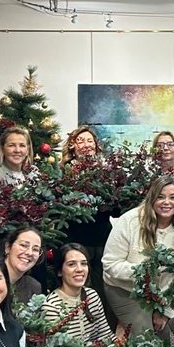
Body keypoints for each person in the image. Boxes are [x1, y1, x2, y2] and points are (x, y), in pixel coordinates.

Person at [101, 176, 174, 334]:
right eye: (160, 197)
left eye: (172, 197)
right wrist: (144, 272)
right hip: (126, 290)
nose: (166, 202)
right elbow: (110, 264)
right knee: (145, 338)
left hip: (169, 292)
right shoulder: (129, 221)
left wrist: (167, 311)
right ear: (151, 199)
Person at [61, 125, 115, 319]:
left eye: (89, 140)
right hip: (75, 239)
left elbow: (117, 210)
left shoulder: (107, 172)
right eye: (80, 141)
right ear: (73, 146)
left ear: (96, 146)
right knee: (77, 286)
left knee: (103, 289)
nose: (85, 145)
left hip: (102, 240)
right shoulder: (63, 174)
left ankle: (103, 328)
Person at [40, 243, 116, 347]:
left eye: (84, 264)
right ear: (59, 271)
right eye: (72, 264)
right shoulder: (51, 306)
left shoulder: (92, 295)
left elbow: (106, 335)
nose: (80, 269)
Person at [3, 226, 45, 305]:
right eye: (23, 245)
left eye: (35, 249)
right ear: (8, 247)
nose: (29, 253)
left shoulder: (33, 287)